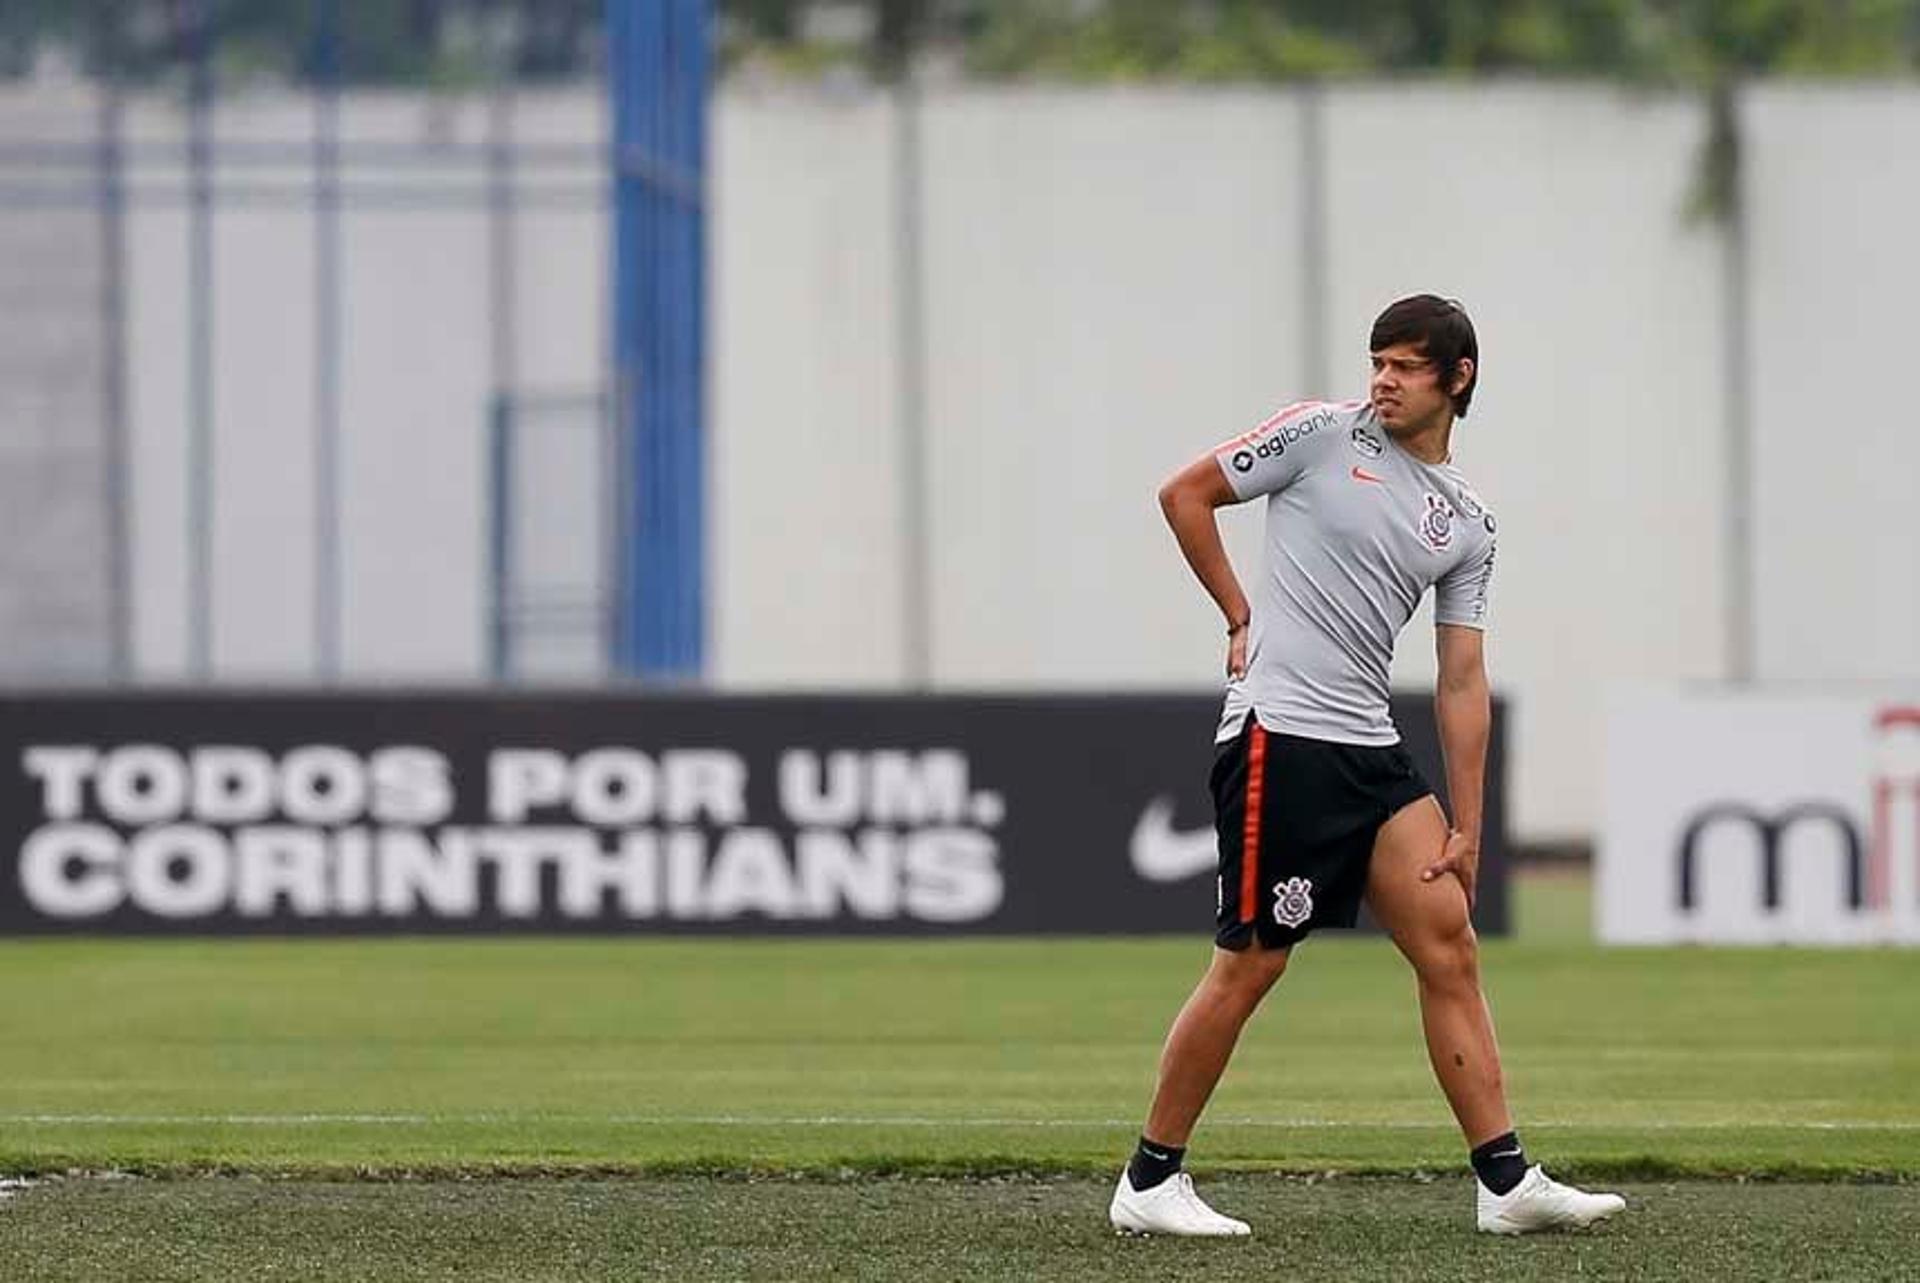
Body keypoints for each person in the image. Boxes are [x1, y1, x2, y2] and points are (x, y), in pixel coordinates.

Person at [1109, 295, 1625, 1238]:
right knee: (1251, 964)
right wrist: (1237, 614)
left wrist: (1467, 823)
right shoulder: (1317, 433)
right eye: (1376, 361)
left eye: (1403, 365)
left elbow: (1462, 676)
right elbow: (1185, 495)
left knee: (1448, 940)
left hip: (1369, 745)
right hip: (1281, 735)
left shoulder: (1467, 519)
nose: (1381, 379)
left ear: (1456, 378)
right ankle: (1149, 1180)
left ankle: (1506, 1183)